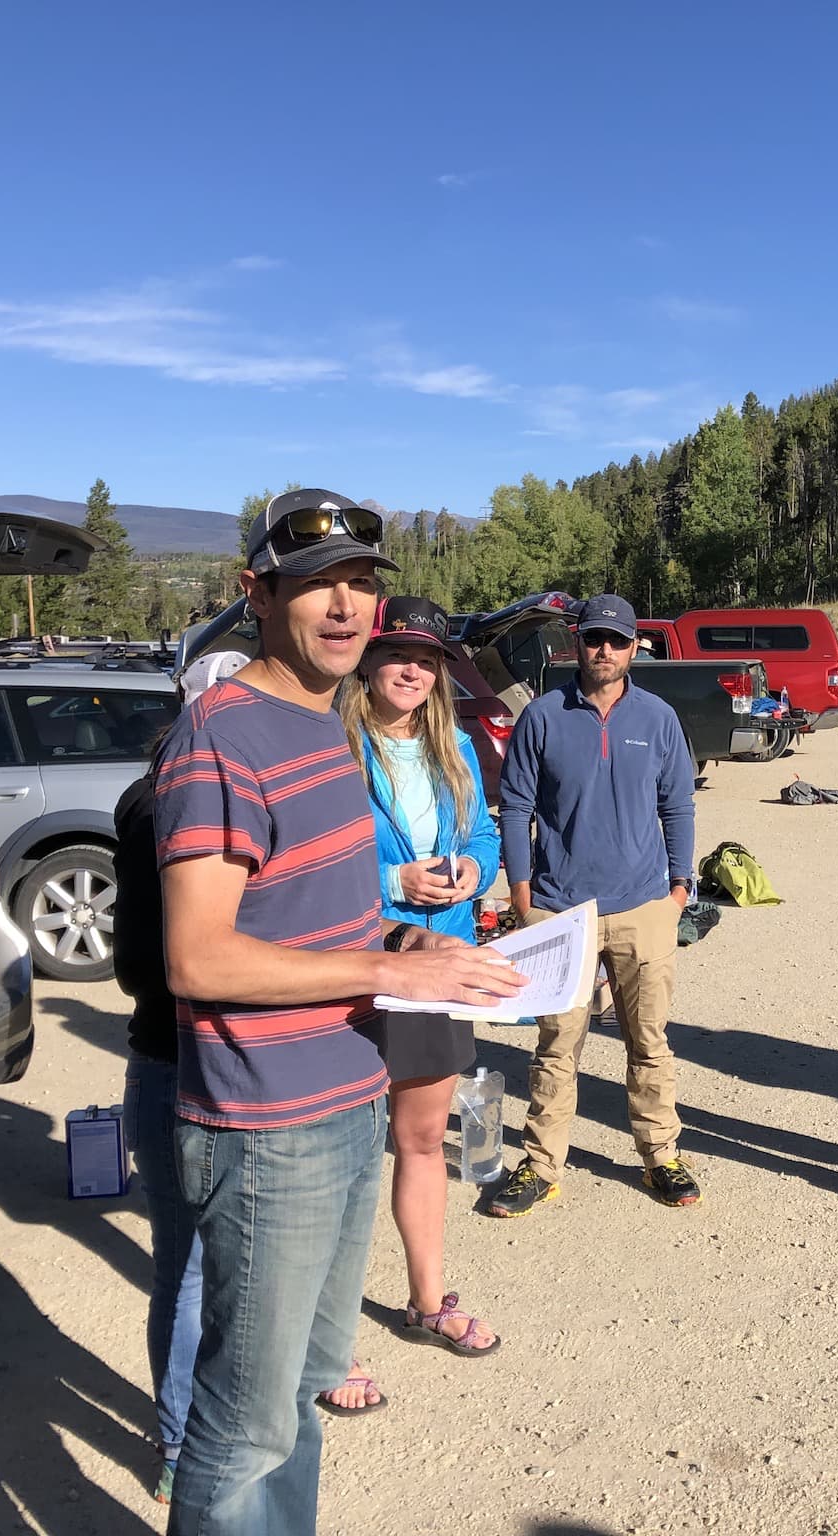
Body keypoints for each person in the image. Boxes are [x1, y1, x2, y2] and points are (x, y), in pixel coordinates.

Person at [156, 490, 523, 1536]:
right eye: (319, 582)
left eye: (361, 583)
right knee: (248, 1420)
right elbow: (198, 953)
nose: (347, 605)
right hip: (268, 1125)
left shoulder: (321, 728)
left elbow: (320, 915)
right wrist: (385, 967)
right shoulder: (221, 736)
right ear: (256, 593)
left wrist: (408, 940)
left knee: (307, 1399)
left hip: (348, 1098)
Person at [487, 593, 700, 1216]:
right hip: (560, 908)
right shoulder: (543, 717)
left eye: (616, 640)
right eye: (592, 639)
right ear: (573, 643)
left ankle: (661, 1154)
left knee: (650, 1040)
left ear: (636, 648)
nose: (602, 650)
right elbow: (518, 808)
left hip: (643, 906)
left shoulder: (658, 718)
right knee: (557, 1043)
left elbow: (678, 805)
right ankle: (541, 1163)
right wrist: (523, 893)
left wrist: (679, 887)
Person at [336, 594, 503, 1356]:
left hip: (439, 963)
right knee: (336, 1147)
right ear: (369, 661)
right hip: (353, 956)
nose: (413, 669)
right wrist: (395, 884)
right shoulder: (332, 743)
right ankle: (324, 1330)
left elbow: (481, 835)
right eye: (400, 654)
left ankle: (427, 1300)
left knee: (424, 1136)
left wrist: (473, 868)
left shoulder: (456, 748)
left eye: (429, 659)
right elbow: (312, 860)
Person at [114, 650, 242, 1505]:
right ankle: (184, 1440)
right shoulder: (163, 803)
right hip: (186, 1060)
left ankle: (202, 1437)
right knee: (198, 1269)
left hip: (196, 1060)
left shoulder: (157, 794)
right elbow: (142, 964)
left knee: (209, 1269)